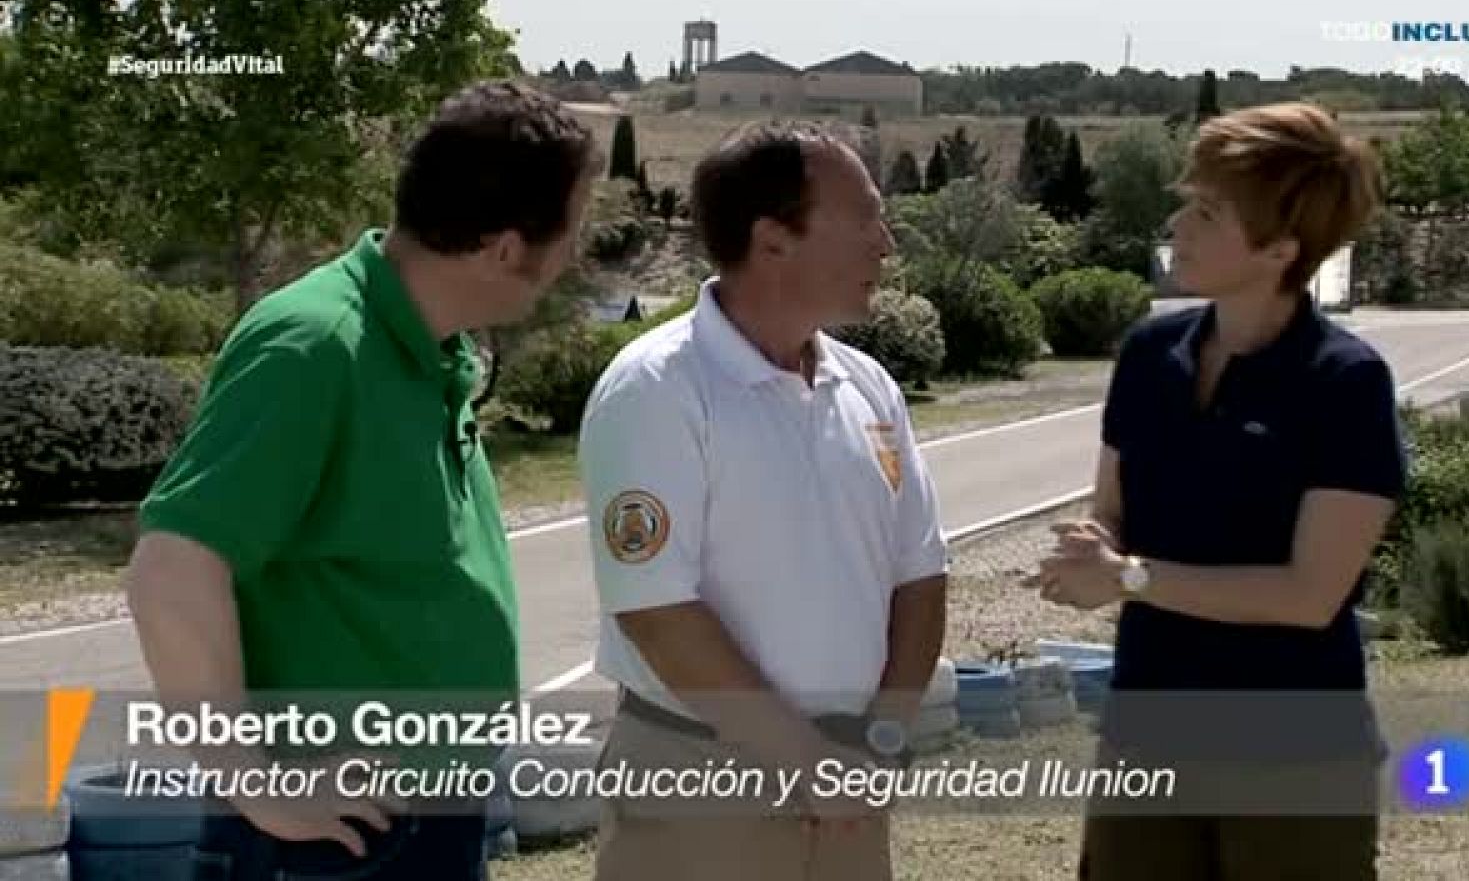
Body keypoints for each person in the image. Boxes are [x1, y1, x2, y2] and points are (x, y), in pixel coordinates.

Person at [123, 79, 596, 880]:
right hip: (335, 843)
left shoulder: (431, 348)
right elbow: (171, 571)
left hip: (423, 822)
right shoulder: (315, 345)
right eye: (573, 230)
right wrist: (254, 783)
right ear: (507, 249)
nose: (575, 256)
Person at [1027, 102, 1408, 880]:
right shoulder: (1149, 353)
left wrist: (1131, 578)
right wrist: (1092, 549)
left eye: (1207, 211)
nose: (1178, 223)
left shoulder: (1345, 383)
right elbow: (1114, 510)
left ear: (1280, 249)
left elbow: (1309, 596)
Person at [575, 120, 950, 881]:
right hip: (701, 784)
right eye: (865, 220)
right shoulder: (656, 389)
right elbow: (656, 611)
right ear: (773, 239)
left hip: (849, 783)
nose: (885, 245)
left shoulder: (869, 387)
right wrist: (807, 762)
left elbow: (919, 576)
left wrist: (879, 742)